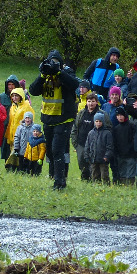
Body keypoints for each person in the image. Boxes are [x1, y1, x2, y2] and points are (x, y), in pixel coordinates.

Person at [28, 50, 80, 190]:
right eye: (51, 61)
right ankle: (54, 176)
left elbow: (74, 84)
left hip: (63, 119)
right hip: (48, 118)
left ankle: (60, 182)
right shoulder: (45, 75)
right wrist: (42, 75)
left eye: (56, 62)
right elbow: (33, 90)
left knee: (58, 150)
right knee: (50, 151)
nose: (53, 64)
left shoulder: (66, 73)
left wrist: (58, 73)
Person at [71, 92, 101, 181]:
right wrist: (75, 144)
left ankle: (95, 181)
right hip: (81, 144)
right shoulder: (81, 113)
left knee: (93, 166)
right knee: (82, 164)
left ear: (96, 102)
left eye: (93, 101)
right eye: (89, 101)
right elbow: (75, 128)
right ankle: (84, 181)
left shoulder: (101, 114)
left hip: (94, 145)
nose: (91, 103)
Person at [83, 112, 113, 183]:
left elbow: (110, 146)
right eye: (97, 121)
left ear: (103, 122)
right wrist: (87, 155)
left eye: (100, 121)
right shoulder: (91, 133)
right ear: (94, 122)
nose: (98, 123)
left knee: (104, 175)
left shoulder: (107, 133)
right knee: (94, 175)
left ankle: (106, 186)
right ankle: (96, 187)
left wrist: (107, 156)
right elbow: (87, 145)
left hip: (103, 159)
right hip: (93, 158)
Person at [110, 107, 137, 183]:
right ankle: (123, 186)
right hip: (120, 155)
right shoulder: (116, 129)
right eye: (118, 115)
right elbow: (115, 142)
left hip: (131, 154)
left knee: (130, 174)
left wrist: (132, 150)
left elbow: (134, 139)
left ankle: (130, 186)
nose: (120, 117)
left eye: (121, 115)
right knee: (122, 174)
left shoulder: (132, 126)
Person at [4, 87, 31, 160]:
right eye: (13, 96)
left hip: (22, 135)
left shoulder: (26, 106)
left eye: (16, 96)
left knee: (19, 155)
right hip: (12, 134)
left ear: (21, 96)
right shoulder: (13, 106)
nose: (14, 98)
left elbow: (30, 119)